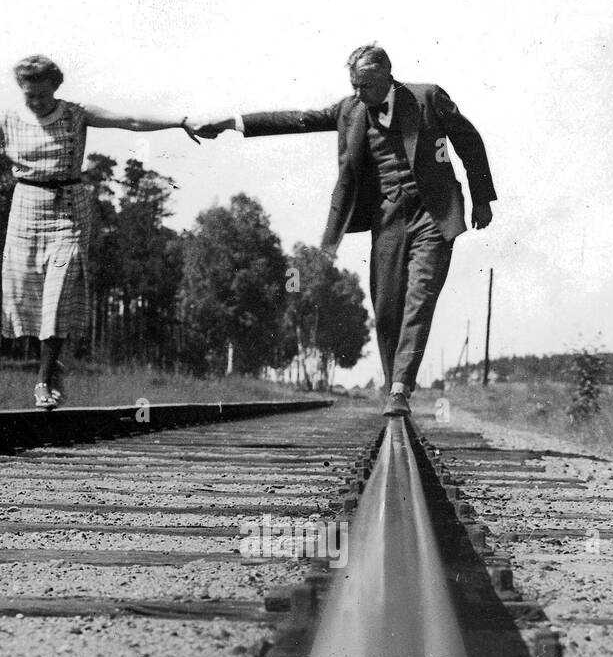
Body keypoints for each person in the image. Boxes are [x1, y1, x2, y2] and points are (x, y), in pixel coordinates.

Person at [196, 44, 496, 416]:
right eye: (353, 85)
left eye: (365, 85)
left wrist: (482, 198)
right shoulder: (350, 109)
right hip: (387, 218)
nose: (358, 93)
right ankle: (394, 383)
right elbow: (298, 119)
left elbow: (469, 141)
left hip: (432, 216)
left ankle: (400, 388)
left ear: (387, 75)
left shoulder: (427, 97)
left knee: (419, 299)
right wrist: (231, 123)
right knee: (386, 309)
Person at [0, 55, 199, 408]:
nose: (36, 102)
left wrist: (180, 121)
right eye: (29, 95)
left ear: (56, 89)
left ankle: (44, 380)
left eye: (42, 95)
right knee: (27, 293)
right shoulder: (9, 119)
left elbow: (131, 120)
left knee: (59, 292)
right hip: (26, 207)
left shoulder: (76, 113)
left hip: (69, 209)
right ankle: (52, 363)